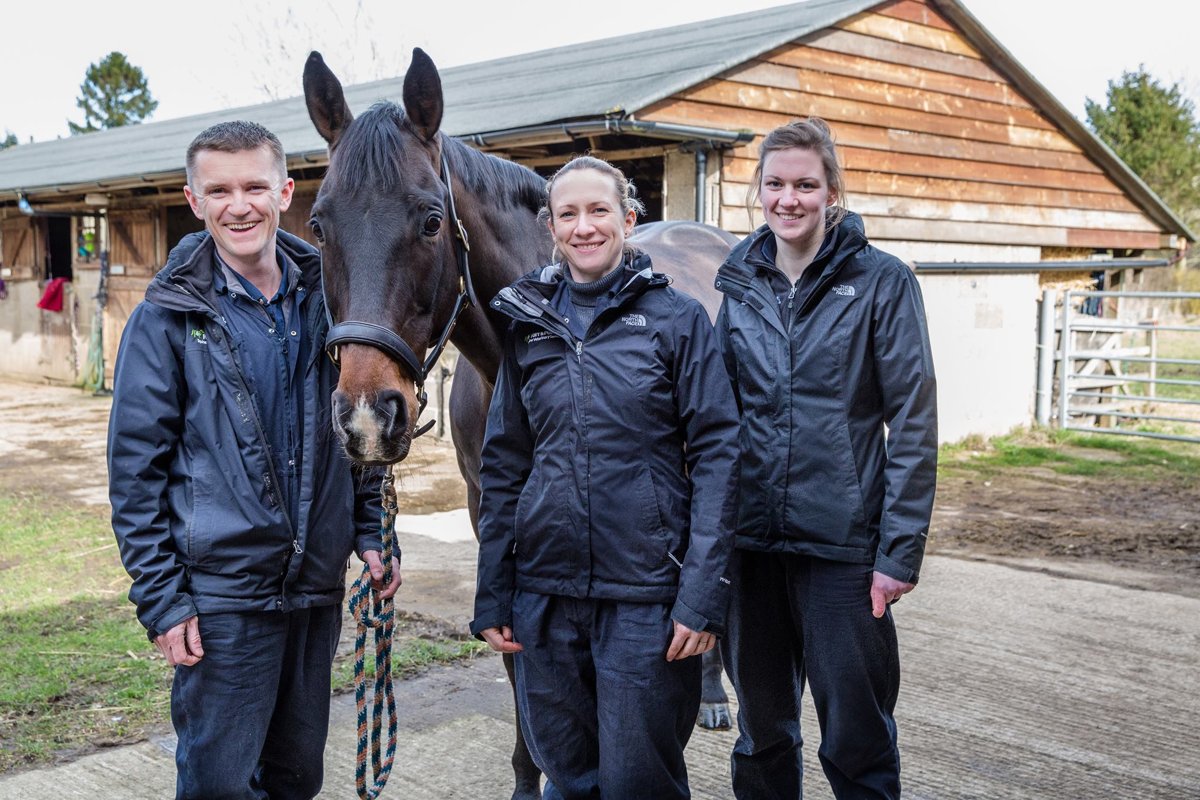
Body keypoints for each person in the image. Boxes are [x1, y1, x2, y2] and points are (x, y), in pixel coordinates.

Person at [107, 120, 401, 800]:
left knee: (297, 777)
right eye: (219, 190)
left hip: (316, 590)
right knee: (219, 784)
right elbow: (135, 474)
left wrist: (368, 533)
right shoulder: (168, 318)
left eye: (254, 187)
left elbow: (357, 429)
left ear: (285, 191)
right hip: (221, 599)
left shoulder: (330, 300)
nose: (239, 205)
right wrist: (162, 598)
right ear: (194, 199)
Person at [470, 155, 740, 799]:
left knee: (639, 781)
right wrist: (494, 591)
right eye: (569, 214)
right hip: (546, 597)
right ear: (552, 228)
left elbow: (718, 457)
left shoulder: (677, 321)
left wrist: (702, 598)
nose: (585, 227)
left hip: (646, 598)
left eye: (599, 211)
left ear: (628, 218)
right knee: (567, 777)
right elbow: (504, 463)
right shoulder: (528, 326)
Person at [714, 118, 938, 800]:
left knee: (858, 739)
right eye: (776, 184)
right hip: (751, 549)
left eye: (806, 184)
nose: (790, 199)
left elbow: (915, 420)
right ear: (758, 192)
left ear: (832, 190)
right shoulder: (739, 285)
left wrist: (897, 554)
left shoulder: (881, 282)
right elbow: (717, 419)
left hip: (843, 553)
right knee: (762, 736)